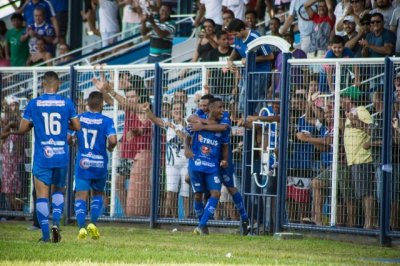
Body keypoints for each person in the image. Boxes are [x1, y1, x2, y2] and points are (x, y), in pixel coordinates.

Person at [16, 71, 81, 243]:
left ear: (43, 84)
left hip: (42, 156)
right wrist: (63, 125)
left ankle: (45, 236)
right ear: (58, 85)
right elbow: (77, 126)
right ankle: (56, 224)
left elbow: (22, 129)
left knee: (42, 195)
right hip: (61, 155)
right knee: (58, 191)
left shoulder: (34, 104)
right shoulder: (66, 103)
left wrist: (32, 124)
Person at [188, 94, 251, 235]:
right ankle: (202, 226)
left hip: (221, 160)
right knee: (199, 193)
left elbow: (223, 128)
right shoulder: (200, 113)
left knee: (231, 188)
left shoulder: (224, 115)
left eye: (205, 105)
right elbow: (190, 120)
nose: (202, 107)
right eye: (201, 105)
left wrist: (202, 125)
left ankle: (245, 219)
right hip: (202, 162)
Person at [93, 74, 152, 217]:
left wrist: (111, 90)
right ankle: (127, 213)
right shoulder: (127, 108)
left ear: (139, 97)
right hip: (127, 153)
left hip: (140, 155)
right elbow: (108, 101)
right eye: (129, 96)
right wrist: (103, 90)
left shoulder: (143, 108)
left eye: (133, 96)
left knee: (137, 186)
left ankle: (138, 214)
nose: (130, 99)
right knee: (118, 182)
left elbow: (124, 104)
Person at [74, 91, 117, 240]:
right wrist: (110, 149)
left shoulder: (79, 118)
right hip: (99, 163)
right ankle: (92, 223)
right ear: (101, 104)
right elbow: (113, 140)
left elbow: (68, 137)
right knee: (98, 193)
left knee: (81, 195)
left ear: (87, 104)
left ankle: (81, 228)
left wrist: (75, 142)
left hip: (83, 163)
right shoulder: (107, 121)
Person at [184, 97, 230, 235]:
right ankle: (202, 227)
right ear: (211, 109)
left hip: (213, 166)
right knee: (198, 195)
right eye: (219, 108)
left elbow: (225, 145)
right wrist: (186, 148)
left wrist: (225, 159)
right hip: (197, 164)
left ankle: (201, 225)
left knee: (216, 193)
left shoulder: (223, 123)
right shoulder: (197, 118)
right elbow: (188, 133)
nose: (222, 110)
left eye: (223, 107)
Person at [142, 101, 190, 218]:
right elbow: (155, 119)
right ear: (171, 112)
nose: (177, 111)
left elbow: (185, 138)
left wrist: (174, 126)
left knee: (186, 192)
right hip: (172, 164)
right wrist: (148, 111)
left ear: (184, 111)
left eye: (179, 108)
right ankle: (175, 218)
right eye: (175, 109)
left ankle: (187, 217)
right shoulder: (167, 123)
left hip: (187, 163)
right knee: (170, 192)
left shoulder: (189, 125)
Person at [341, 86, 375, 229]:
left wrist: (357, 122)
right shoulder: (350, 114)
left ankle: (369, 223)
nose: (341, 101)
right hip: (353, 160)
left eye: (343, 98)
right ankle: (367, 223)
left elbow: (372, 129)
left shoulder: (361, 111)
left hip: (362, 158)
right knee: (361, 193)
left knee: (366, 193)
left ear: (349, 99)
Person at [226, 18, 274, 114]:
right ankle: (246, 119)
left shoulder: (255, 37)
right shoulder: (237, 38)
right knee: (244, 96)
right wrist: (230, 60)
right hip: (248, 72)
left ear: (242, 29)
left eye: (235, 34)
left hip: (260, 73)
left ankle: (249, 120)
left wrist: (250, 59)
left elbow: (270, 56)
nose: (235, 37)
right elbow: (236, 49)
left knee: (252, 99)